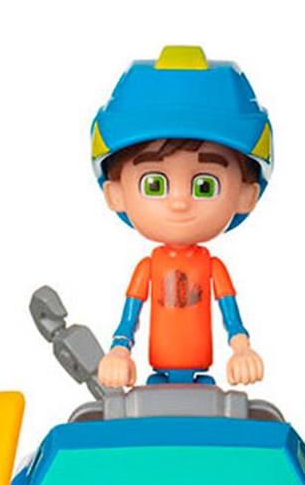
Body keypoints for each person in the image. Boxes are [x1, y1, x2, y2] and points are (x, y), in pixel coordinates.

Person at [90, 46, 273, 388]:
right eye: (155, 184)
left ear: (246, 195)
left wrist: (242, 348)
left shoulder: (211, 268)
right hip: (155, 381)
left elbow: (231, 316)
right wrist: (119, 350)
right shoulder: (149, 268)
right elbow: (129, 318)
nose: (179, 203)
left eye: (204, 186)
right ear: (116, 194)